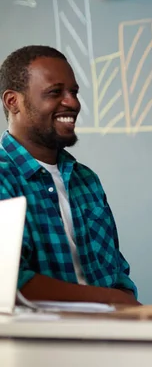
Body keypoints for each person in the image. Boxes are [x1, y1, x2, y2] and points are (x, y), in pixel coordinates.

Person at [0, 45, 139, 305]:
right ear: (13, 101)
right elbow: (11, 283)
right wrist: (110, 301)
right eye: (55, 92)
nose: (73, 103)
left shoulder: (86, 180)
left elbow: (117, 273)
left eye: (73, 92)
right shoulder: (3, 178)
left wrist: (128, 312)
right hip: (41, 343)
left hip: (110, 339)